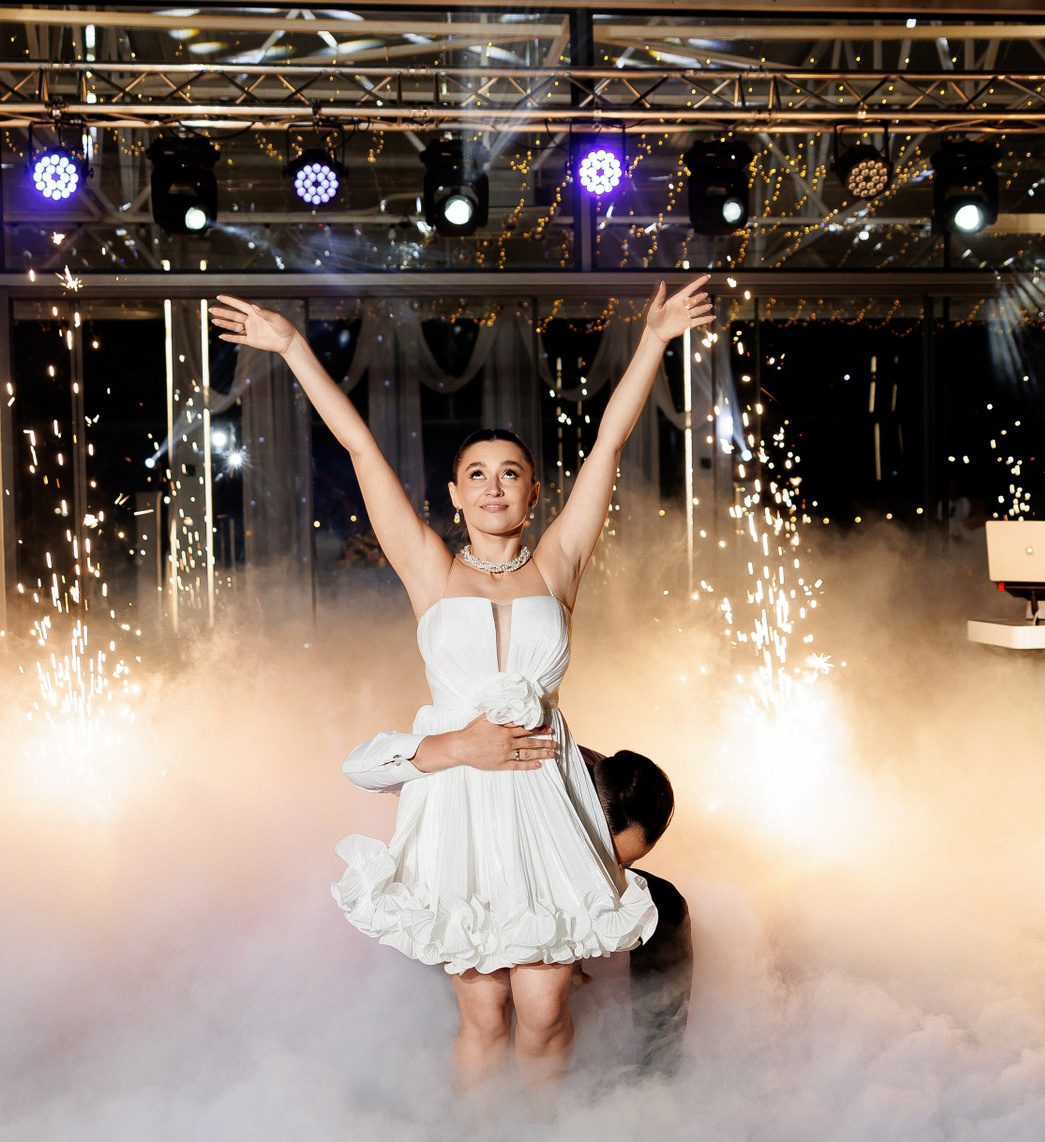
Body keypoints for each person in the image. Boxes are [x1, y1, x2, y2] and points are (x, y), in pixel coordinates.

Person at [211, 280, 714, 1094]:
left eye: (510, 473)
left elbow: (608, 446)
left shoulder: (558, 565)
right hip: (462, 797)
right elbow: (361, 450)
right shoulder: (431, 571)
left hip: (544, 799)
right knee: (484, 1011)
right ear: (454, 494)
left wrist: (654, 339)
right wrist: (294, 347)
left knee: (545, 1008)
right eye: (476, 473)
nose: (492, 485)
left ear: (533, 492)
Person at [344, 720, 692, 1078]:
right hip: (470, 885)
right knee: (493, 995)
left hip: (555, 866)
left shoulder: (613, 787)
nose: (616, 873)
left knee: (665, 905)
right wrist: (453, 747)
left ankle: (657, 1072)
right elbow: (365, 765)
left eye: (626, 864)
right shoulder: (518, 781)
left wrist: (581, 935)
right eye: (607, 858)